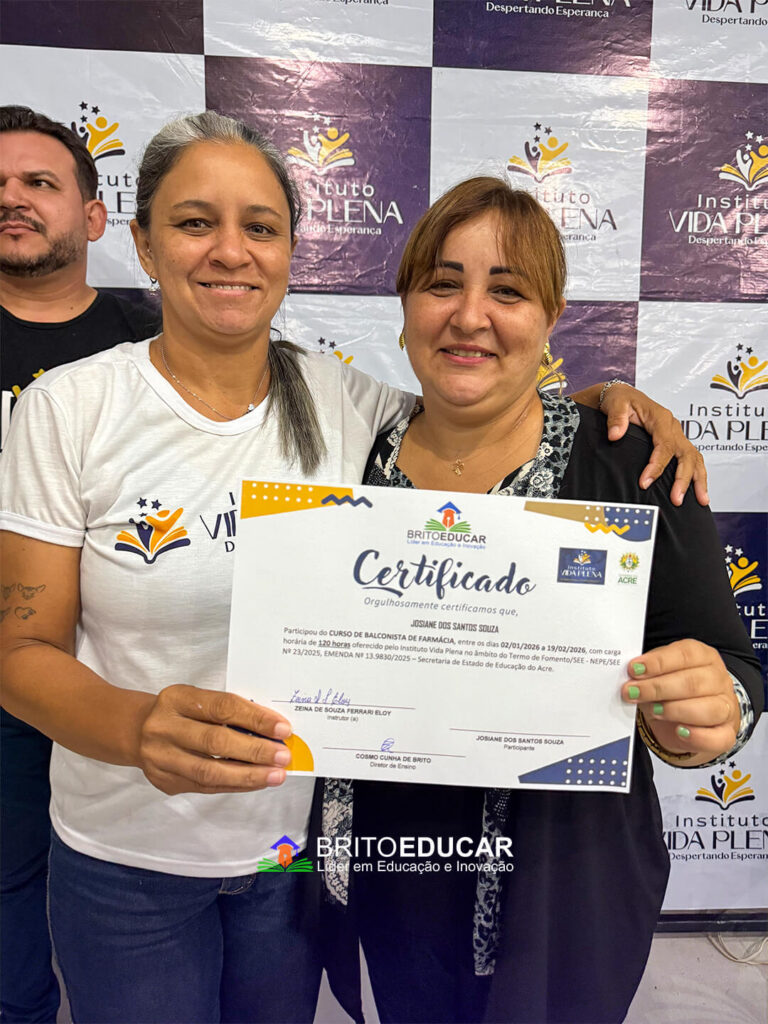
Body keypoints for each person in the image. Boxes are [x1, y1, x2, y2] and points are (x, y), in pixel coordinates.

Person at [0, 112, 712, 1024]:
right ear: (142, 242)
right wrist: (137, 727)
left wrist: (614, 403)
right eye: (193, 222)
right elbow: (19, 652)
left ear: (291, 252)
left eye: (260, 226)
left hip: (289, 860)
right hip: (128, 857)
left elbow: (485, 405)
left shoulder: (349, 404)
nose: (230, 251)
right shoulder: (69, 408)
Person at [318, 178, 763, 1024]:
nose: (470, 316)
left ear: (551, 316)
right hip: (398, 868)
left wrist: (709, 709)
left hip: (567, 890)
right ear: (405, 304)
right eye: (442, 284)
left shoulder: (634, 467)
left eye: (508, 291)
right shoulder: (347, 457)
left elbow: (732, 671)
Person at [0, 104, 159, 1024]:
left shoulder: (160, 339)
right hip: (6, 666)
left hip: (124, 669)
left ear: (96, 217)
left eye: (39, 182)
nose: (13, 199)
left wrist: (591, 398)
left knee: (135, 889)